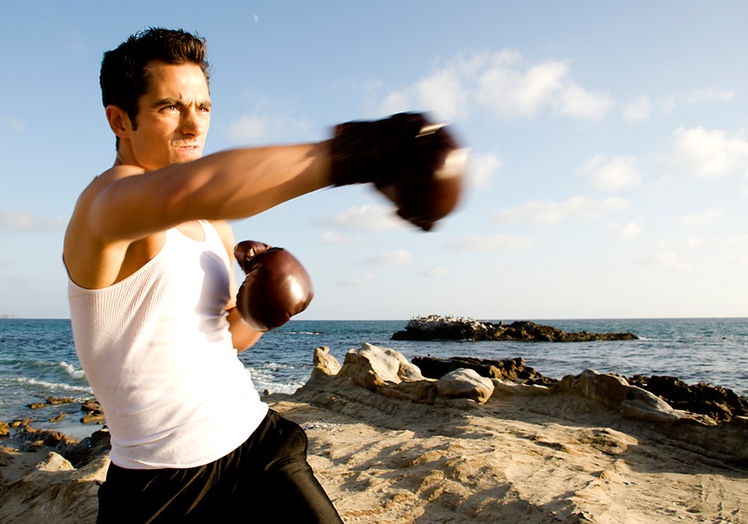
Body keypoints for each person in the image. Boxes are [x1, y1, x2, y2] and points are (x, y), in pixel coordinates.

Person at [64, 27, 461, 523]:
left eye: (203, 108)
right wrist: (363, 151)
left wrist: (260, 308)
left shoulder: (214, 225)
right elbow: (194, 189)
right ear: (119, 120)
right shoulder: (104, 207)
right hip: (158, 484)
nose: (193, 126)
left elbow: (226, 337)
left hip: (255, 445)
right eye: (170, 107)